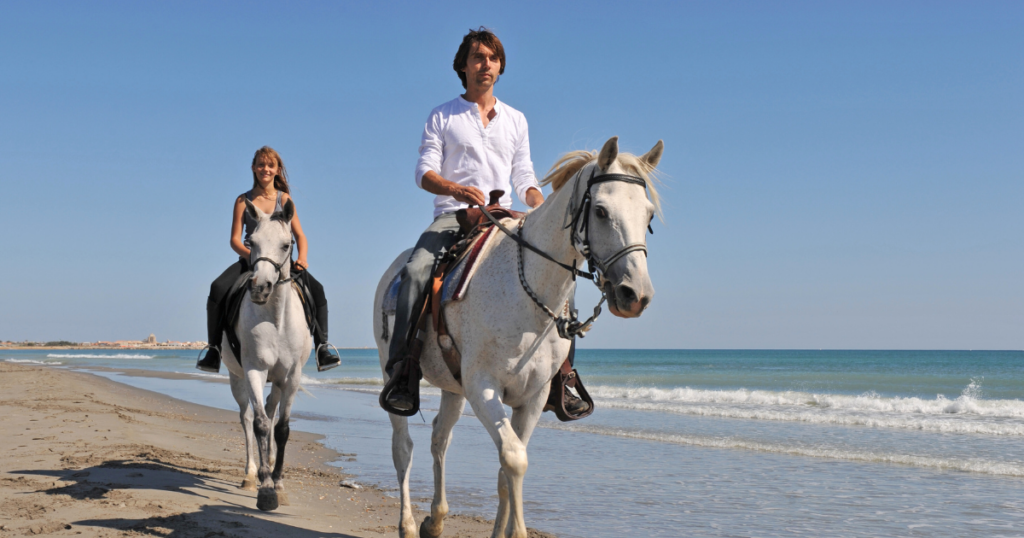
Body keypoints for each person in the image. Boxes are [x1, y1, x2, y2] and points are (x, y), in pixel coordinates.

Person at [383, 27, 588, 415]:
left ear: (500, 67)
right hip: (454, 217)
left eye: (493, 58)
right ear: (463, 66)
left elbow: (524, 175)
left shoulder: (516, 119)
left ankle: (562, 376)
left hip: (504, 218)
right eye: (478, 57)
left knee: (563, 272)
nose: (486, 64)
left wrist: (540, 206)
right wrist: (455, 189)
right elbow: (424, 171)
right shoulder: (442, 115)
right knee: (415, 272)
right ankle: (403, 370)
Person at [196, 146, 341, 373]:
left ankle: (322, 346)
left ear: (277, 170)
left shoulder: (284, 199)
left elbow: (300, 236)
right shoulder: (243, 200)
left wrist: (302, 257)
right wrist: (254, 258)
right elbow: (234, 240)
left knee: (318, 290)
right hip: (250, 260)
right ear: (253, 168)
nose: (265, 169)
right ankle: (214, 349)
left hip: (283, 262)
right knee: (217, 288)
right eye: (261, 164)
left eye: (270, 165)